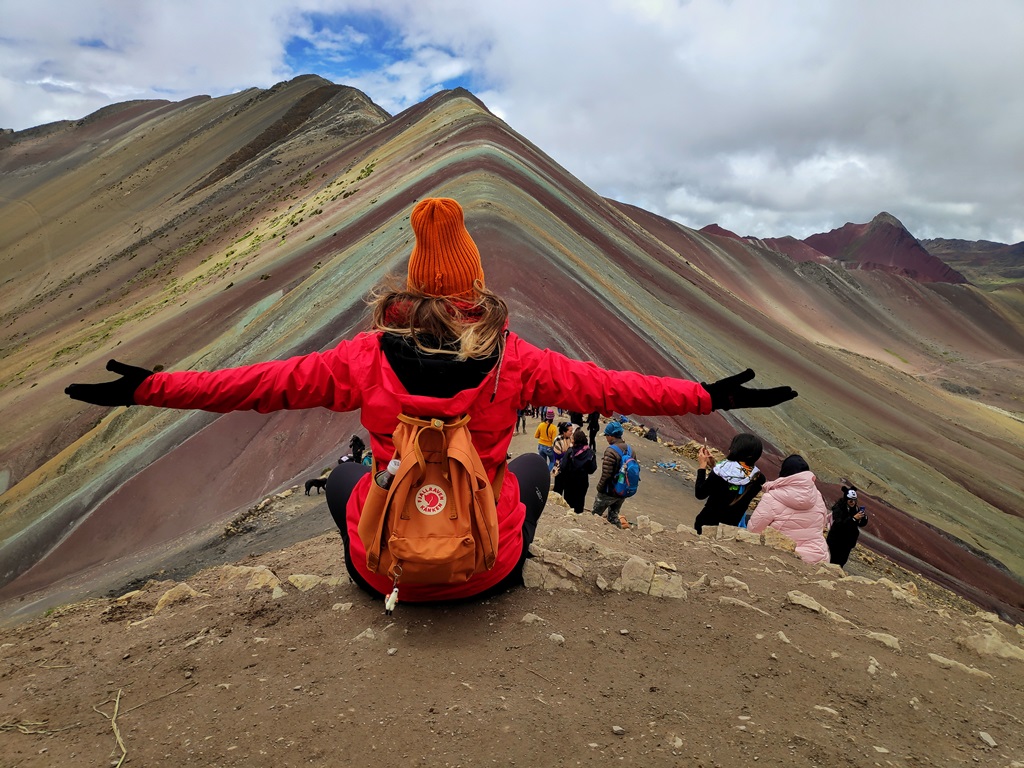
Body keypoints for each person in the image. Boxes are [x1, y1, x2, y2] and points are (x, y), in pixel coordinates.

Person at [65, 197, 797, 603]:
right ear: (475, 287)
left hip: (386, 571)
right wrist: (703, 393)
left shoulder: (362, 356)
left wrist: (148, 388)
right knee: (532, 476)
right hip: (486, 568)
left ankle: (389, 554)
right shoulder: (519, 361)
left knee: (349, 479)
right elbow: (614, 388)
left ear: (413, 289)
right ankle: (491, 561)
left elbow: (250, 388)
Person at [746, 454, 830, 564]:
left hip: (785, 556)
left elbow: (753, 530)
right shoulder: (817, 496)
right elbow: (822, 524)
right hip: (819, 556)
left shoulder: (772, 497)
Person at [693, 433, 766, 535]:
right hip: (730, 528)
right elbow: (733, 482)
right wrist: (714, 465)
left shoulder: (721, 471)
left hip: (706, 523)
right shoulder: (758, 478)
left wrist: (702, 467)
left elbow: (700, 494)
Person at [591, 422, 636, 527]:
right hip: (623, 490)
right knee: (614, 515)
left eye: (607, 435)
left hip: (609, 490)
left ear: (611, 436)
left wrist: (600, 489)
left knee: (595, 516)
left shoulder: (611, 451)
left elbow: (606, 474)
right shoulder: (630, 450)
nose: (606, 438)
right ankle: (616, 532)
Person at [827, 486, 868, 567]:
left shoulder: (856, 509)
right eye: (850, 500)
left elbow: (861, 524)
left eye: (854, 500)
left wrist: (863, 518)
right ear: (846, 499)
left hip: (848, 542)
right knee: (833, 561)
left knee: (842, 562)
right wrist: (853, 519)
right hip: (836, 541)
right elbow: (839, 524)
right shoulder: (839, 508)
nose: (852, 502)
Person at [558, 430, 597, 514]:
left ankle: (569, 517)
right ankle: (579, 515)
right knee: (580, 500)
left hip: (569, 481)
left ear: (576, 440)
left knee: (568, 501)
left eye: (572, 438)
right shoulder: (590, 453)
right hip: (582, 481)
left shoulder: (570, 452)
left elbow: (563, 466)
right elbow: (592, 469)